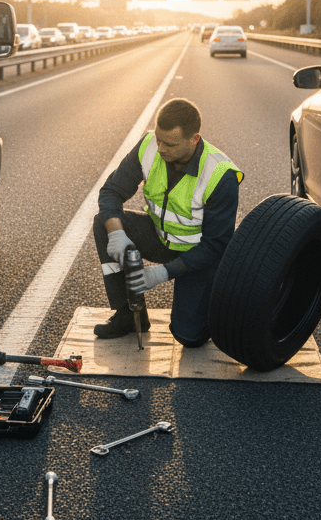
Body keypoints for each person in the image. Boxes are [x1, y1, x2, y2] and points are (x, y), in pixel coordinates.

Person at [92, 98, 243, 347]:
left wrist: (163, 273)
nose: (160, 148)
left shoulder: (220, 175)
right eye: (159, 139)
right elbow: (111, 191)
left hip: (197, 254)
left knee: (188, 336)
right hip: (160, 237)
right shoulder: (149, 145)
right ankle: (129, 314)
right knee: (104, 222)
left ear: (194, 139)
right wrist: (117, 234)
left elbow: (216, 246)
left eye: (170, 144)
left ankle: (214, 302)